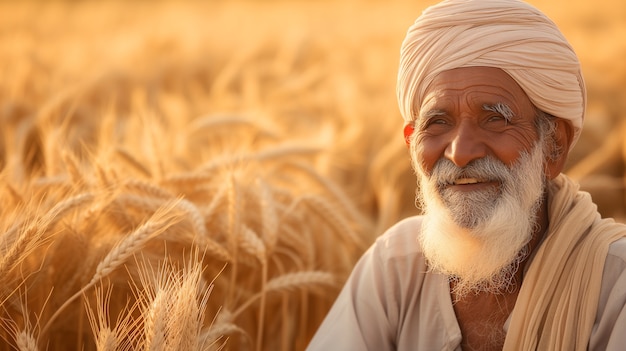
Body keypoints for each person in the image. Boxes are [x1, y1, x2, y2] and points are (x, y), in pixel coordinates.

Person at [307, 0, 626, 350]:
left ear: (553, 146)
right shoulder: (395, 265)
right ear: (412, 144)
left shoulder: (615, 284)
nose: (459, 153)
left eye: (495, 119)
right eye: (438, 122)